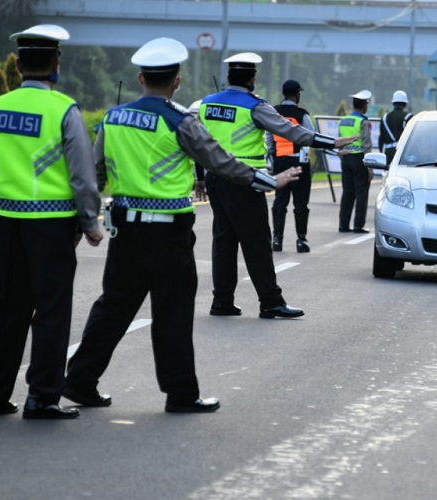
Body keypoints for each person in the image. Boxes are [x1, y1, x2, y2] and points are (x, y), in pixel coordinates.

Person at [63, 39, 301, 413]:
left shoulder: (113, 118)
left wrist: (85, 220)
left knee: (112, 308)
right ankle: (181, 394)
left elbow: (93, 172)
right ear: (176, 81)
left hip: (124, 230)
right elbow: (222, 162)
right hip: (168, 233)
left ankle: (79, 380)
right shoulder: (180, 121)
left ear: (140, 78)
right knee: (172, 311)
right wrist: (272, 181)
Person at [0, 24, 102, 419]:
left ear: (19, 64)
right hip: (54, 226)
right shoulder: (64, 109)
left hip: (9, 223)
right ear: (55, 63)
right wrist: (91, 221)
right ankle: (42, 397)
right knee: (51, 311)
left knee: (5, 309)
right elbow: (81, 174)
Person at [199, 53, 356, 318]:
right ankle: (271, 301)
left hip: (216, 179)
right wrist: (331, 143)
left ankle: (222, 301)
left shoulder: (207, 104)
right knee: (257, 242)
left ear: (228, 77)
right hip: (244, 180)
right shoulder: (255, 106)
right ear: (252, 78)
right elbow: (291, 131)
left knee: (224, 241)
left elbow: (199, 141)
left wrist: (200, 176)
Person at [267, 80, 314, 253]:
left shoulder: (274, 112)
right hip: (299, 162)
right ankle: (301, 240)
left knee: (280, 200)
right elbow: (310, 137)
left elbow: (269, 137)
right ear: (297, 94)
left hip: (280, 161)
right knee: (300, 202)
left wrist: (273, 155)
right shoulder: (302, 114)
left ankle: (277, 240)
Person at [338, 90, 374, 233]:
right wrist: (370, 167)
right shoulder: (363, 121)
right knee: (361, 193)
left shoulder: (343, 120)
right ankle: (358, 225)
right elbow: (366, 143)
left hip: (346, 158)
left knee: (347, 192)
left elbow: (339, 140)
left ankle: (343, 224)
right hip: (359, 159)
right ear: (364, 106)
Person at [378, 90, 412, 166]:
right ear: (405, 103)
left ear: (393, 103)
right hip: (402, 152)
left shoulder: (385, 117)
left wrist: (382, 154)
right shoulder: (408, 117)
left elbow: (381, 139)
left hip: (388, 152)